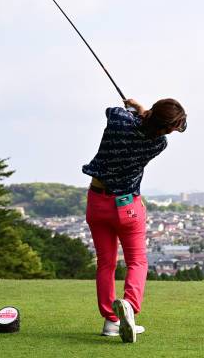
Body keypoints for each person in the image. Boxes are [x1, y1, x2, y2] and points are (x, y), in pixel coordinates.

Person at [83, 97, 187, 343]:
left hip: (98, 201)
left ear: (152, 112)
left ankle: (111, 321)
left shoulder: (119, 121)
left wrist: (139, 109)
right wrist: (144, 112)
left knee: (106, 264)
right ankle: (129, 306)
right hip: (128, 205)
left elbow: (112, 110)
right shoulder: (158, 144)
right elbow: (166, 126)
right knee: (137, 262)